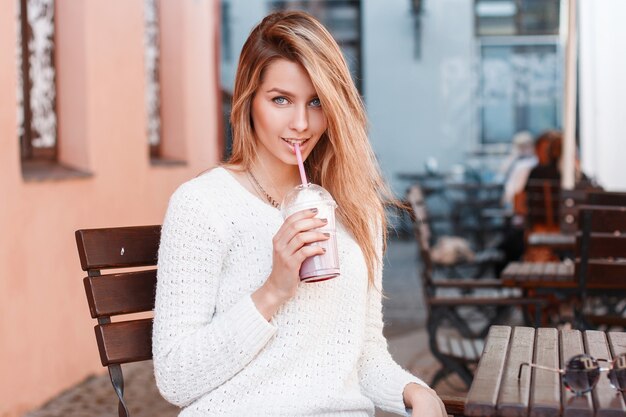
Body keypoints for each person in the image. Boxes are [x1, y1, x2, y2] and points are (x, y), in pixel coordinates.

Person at [152, 11, 446, 417]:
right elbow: (175, 378)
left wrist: (416, 392)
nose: (302, 124)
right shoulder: (203, 205)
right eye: (280, 100)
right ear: (248, 100)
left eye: (316, 102)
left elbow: (363, 356)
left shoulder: (358, 209)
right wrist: (273, 289)